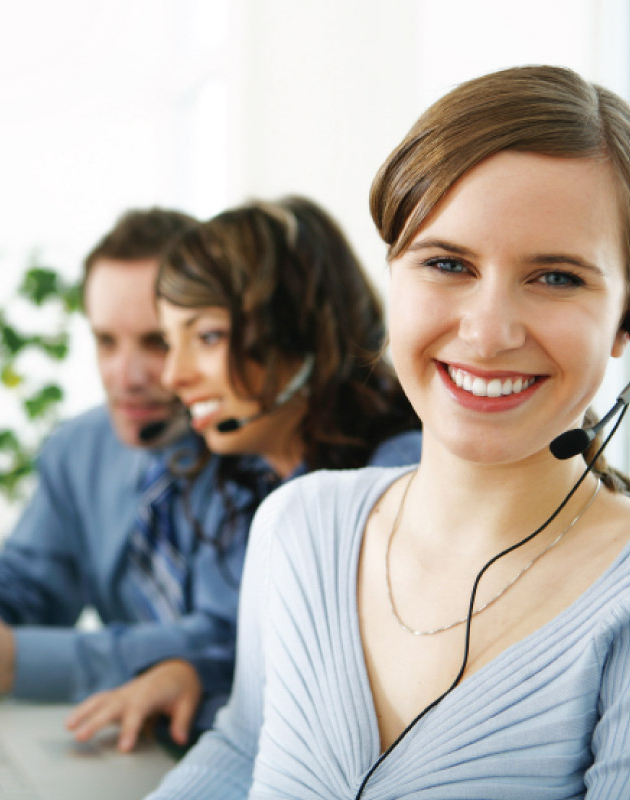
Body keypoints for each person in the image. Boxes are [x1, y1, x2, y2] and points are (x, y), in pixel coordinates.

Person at [146, 66, 630, 799]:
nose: (488, 334)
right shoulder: (299, 523)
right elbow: (242, 747)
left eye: (555, 277)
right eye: (447, 263)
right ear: (392, 277)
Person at [0, 208, 248, 715]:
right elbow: (25, 582)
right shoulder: (79, 449)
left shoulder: (256, 452)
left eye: (156, 342)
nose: (126, 375)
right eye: (105, 341)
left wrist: (23, 661)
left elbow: (230, 637)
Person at [65, 195, 424, 752]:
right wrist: (193, 674)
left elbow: (336, 723)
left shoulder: (400, 478)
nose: (174, 375)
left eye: (206, 336)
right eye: (171, 338)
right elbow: (241, 671)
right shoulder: (242, 478)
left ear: (302, 334)